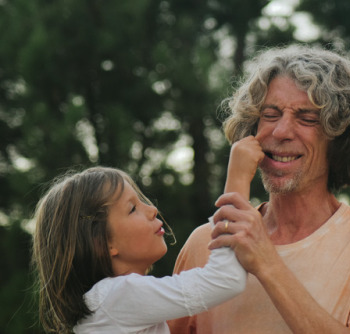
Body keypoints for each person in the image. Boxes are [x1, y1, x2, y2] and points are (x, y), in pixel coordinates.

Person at [168, 45, 350, 333]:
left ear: (341, 139)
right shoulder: (206, 244)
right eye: (271, 114)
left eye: (307, 118)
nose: (281, 131)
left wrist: (267, 263)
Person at [31, 137, 263, 334]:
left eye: (141, 201)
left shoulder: (106, 302)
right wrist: (238, 178)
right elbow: (225, 280)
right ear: (102, 244)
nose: (152, 209)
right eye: (132, 209)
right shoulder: (118, 296)